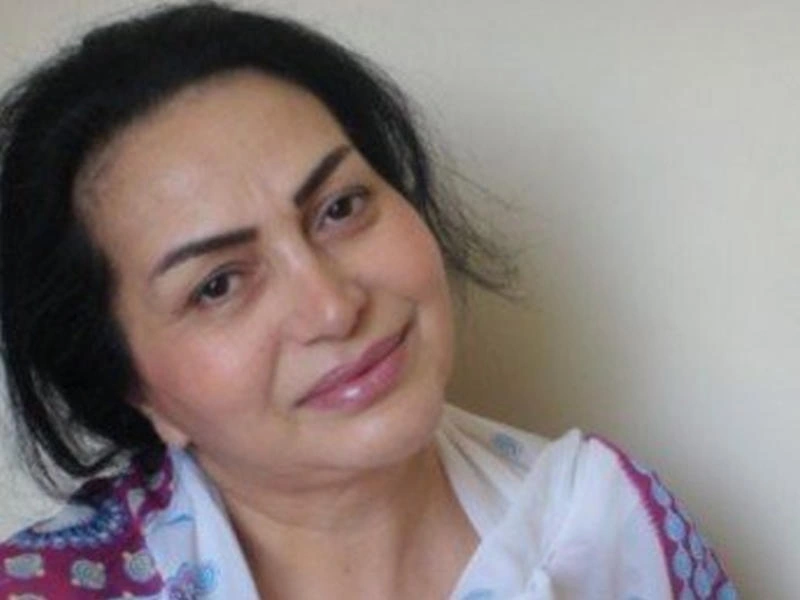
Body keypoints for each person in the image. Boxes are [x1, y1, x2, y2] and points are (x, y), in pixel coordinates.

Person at [0, 3, 737, 599]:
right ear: (129, 385)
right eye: (217, 284)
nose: (332, 306)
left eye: (341, 207)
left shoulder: (616, 529)